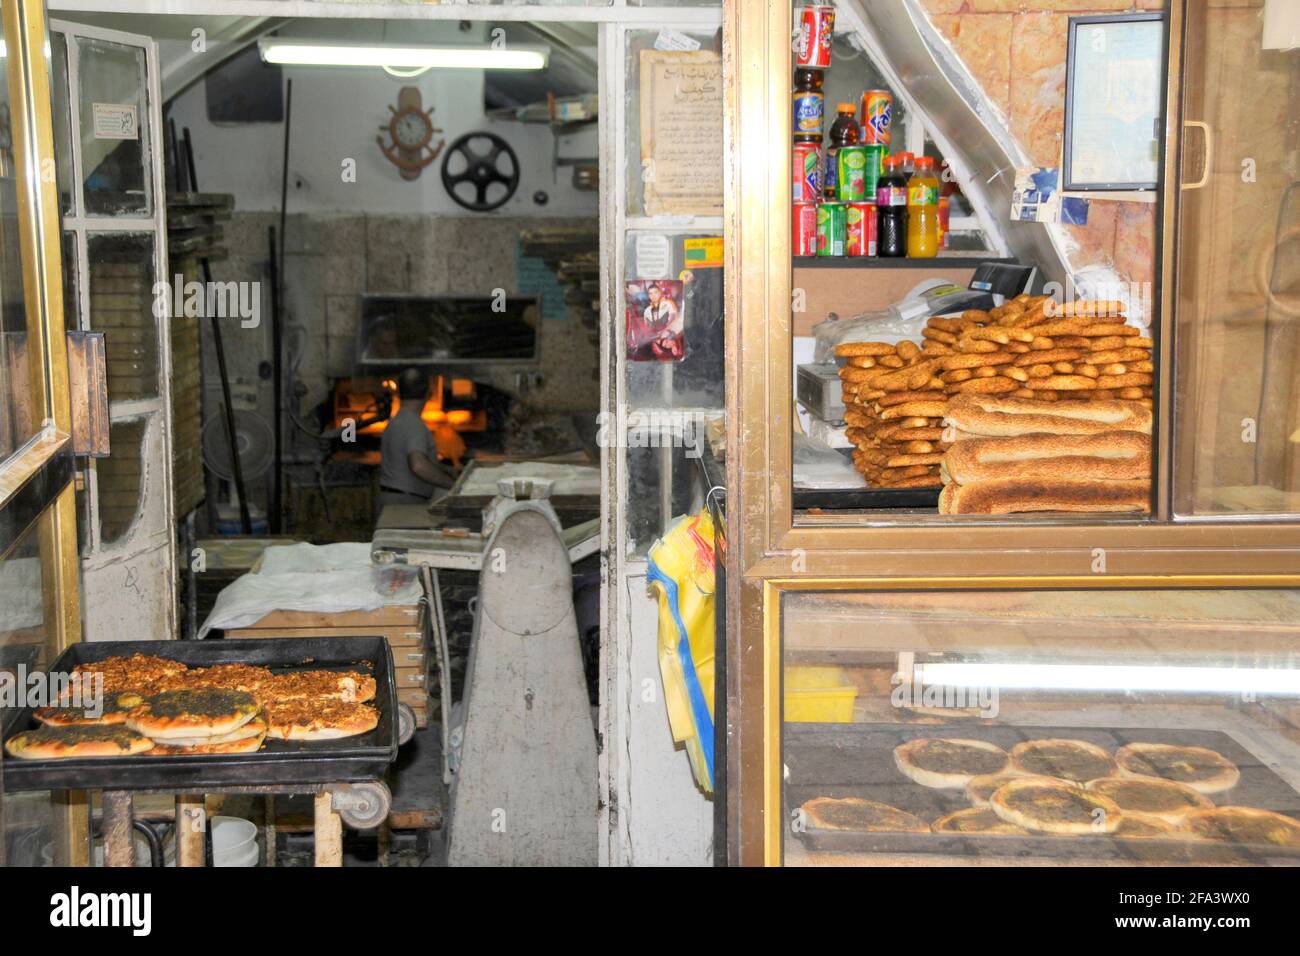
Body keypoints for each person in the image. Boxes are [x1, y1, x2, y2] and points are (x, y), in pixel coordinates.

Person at [378, 368, 458, 507]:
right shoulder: (414, 425)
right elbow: (418, 465)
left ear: (398, 392)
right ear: (429, 393)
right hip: (406, 505)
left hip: (392, 500)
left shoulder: (396, 421)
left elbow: (403, 460)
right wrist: (454, 486)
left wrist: (442, 468)